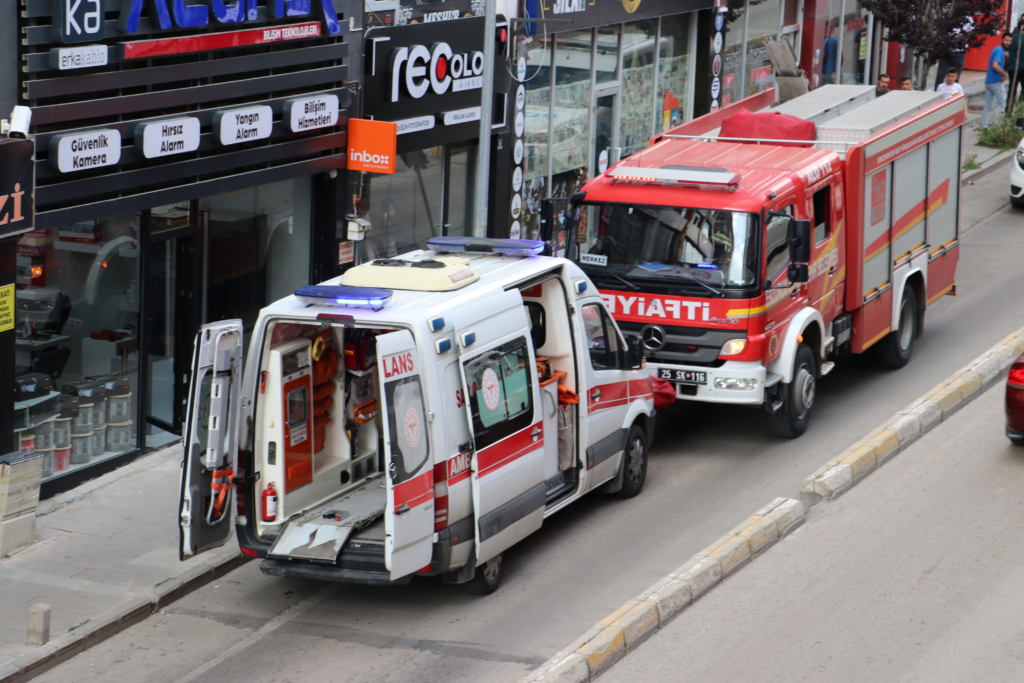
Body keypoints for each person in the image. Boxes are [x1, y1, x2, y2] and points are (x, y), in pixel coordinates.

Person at [981, 33, 1013, 129]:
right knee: (1002, 104)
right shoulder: (999, 50)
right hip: (995, 81)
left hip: (988, 81)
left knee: (988, 106)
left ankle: (982, 126)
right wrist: (1004, 74)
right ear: (1001, 40)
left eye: (1010, 41)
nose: (1008, 42)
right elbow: (995, 65)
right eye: (1006, 40)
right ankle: (992, 124)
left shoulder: (996, 49)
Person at [934, 17, 974, 91]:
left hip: (960, 51)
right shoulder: (949, 15)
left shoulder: (969, 19)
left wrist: (962, 36)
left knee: (956, 75)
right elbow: (941, 30)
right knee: (941, 75)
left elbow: (970, 33)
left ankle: (954, 94)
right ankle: (936, 93)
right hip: (946, 50)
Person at [1007, 19, 1024, 111]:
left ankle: (1008, 110)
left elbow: (1007, 52)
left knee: (1012, 89)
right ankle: (1020, 110)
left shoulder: (1012, 38)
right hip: (1023, 67)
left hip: (1012, 67)